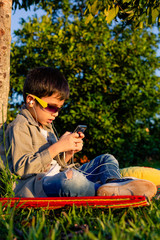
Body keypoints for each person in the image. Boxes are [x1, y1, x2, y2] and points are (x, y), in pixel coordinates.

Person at [0, 67, 157, 199]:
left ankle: (113, 184)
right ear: (31, 101)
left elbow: (57, 165)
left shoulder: (46, 127)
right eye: (52, 107)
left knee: (106, 159)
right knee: (71, 180)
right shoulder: (20, 126)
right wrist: (57, 147)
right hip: (38, 185)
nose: (56, 114)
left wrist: (68, 152)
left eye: (59, 109)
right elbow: (22, 169)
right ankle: (107, 190)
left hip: (57, 175)